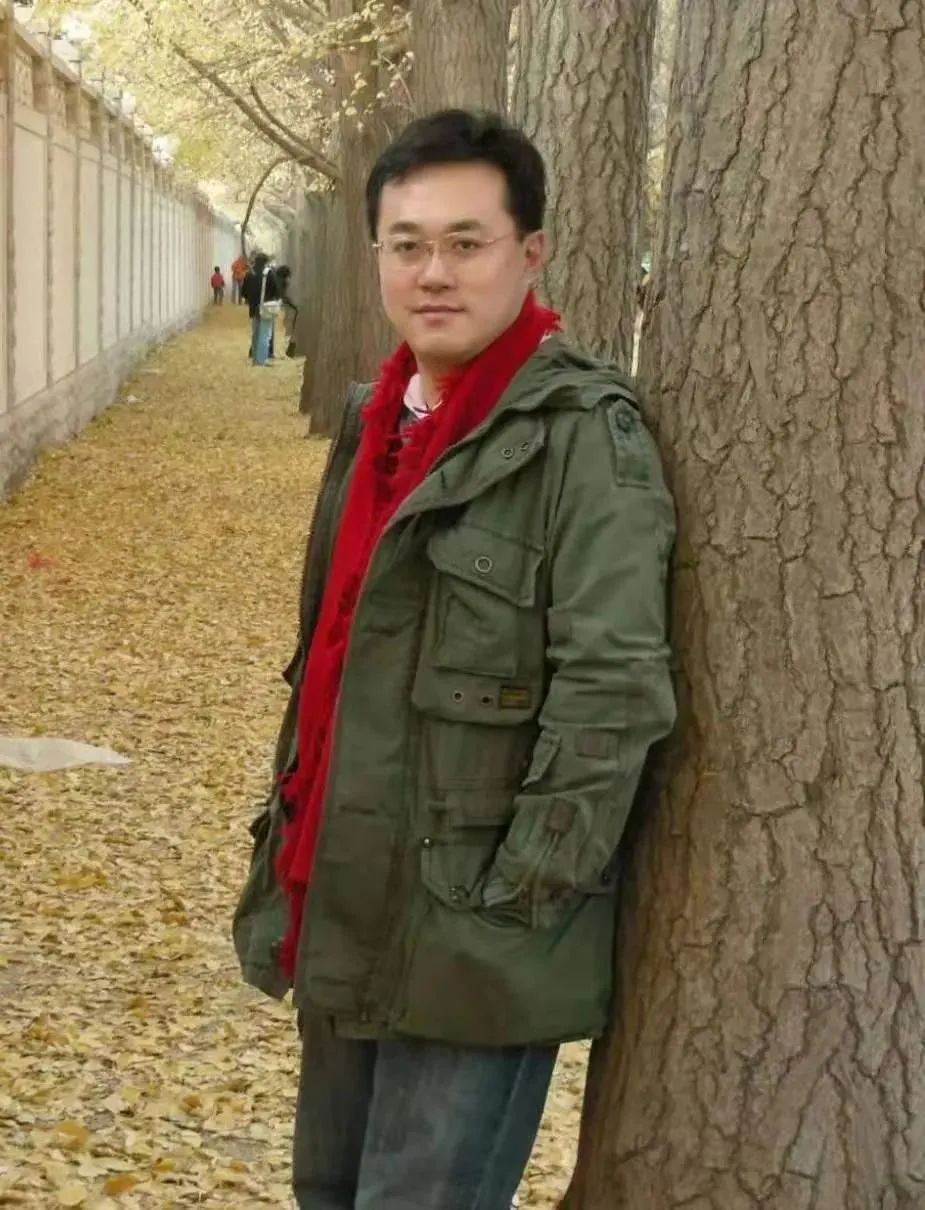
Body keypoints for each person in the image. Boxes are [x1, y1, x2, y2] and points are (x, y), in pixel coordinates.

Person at [233, 109, 676, 1210]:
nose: (433, 272)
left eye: (466, 243)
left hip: (471, 932)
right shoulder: (374, 420)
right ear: (377, 255)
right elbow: (331, 658)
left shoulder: (583, 434)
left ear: (530, 252)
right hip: (343, 892)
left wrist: (513, 902)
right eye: (408, 244)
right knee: (328, 1192)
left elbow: (613, 689)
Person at [241, 253, 280, 366]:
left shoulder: (249, 273)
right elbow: (276, 291)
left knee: (255, 334)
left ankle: (255, 359)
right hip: (266, 308)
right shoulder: (269, 273)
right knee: (265, 334)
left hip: (254, 308)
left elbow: (244, 293)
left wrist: (251, 299)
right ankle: (261, 360)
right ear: (265, 262)